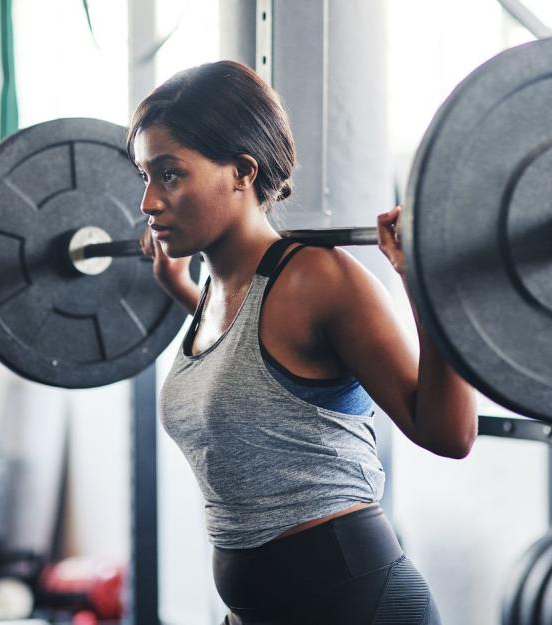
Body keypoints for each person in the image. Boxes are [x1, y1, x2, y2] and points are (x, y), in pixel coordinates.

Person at [129, 60, 477, 625]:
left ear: (242, 170)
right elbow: (249, 377)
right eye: (144, 176)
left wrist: (430, 284)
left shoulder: (318, 280)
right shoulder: (219, 292)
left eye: (169, 174)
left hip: (355, 606)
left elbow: (449, 432)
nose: (148, 201)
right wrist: (180, 288)